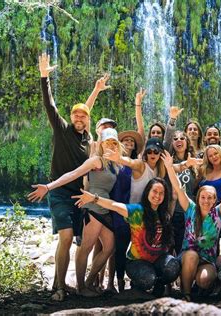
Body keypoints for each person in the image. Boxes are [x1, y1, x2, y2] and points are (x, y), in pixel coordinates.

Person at [31, 53, 109, 301]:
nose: (79, 118)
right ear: (70, 117)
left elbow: (86, 110)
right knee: (65, 236)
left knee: (75, 241)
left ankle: (60, 282)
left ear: (87, 121)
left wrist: (96, 90)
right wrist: (45, 77)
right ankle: (59, 288)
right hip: (59, 192)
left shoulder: (90, 141)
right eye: (75, 115)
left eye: (83, 116)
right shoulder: (62, 129)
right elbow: (49, 105)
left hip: (81, 195)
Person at [29, 128, 124, 297]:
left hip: (105, 208)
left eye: (114, 142)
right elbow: (74, 174)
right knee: (85, 248)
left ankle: (88, 282)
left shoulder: (116, 163)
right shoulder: (96, 160)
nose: (110, 144)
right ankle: (81, 287)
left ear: (117, 145)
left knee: (109, 247)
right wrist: (49, 186)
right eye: (107, 141)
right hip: (92, 208)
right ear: (101, 143)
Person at [72, 178, 180, 296]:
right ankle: (138, 286)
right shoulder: (137, 211)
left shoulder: (164, 214)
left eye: (161, 193)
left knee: (173, 267)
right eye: (155, 191)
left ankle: (158, 283)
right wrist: (94, 198)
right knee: (148, 278)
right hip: (137, 262)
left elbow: (176, 196)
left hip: (158, 261)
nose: (157, 196)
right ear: (148, 192)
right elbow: (114, 205)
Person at [163, 151, 221, 301]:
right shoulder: (190, 208)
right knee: (191, 255)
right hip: (188, 257)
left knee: (204, 280)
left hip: (207, 259)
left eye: (210, 198)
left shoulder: (218, 213)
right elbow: (178, 187)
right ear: (198, 197)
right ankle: (186, 294)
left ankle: (202, 287)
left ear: (215, 200)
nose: (206, 201)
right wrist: (169, 167)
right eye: (203, 197)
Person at [107, 129, 143, 292]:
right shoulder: (113, 162)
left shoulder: (137, 163)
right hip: (118, 208)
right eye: (126, 140)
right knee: (120, 247)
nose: (129, 143)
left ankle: (138, 281)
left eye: (132, 141)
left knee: (138, 247)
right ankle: (118, 281)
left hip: (135, 211)